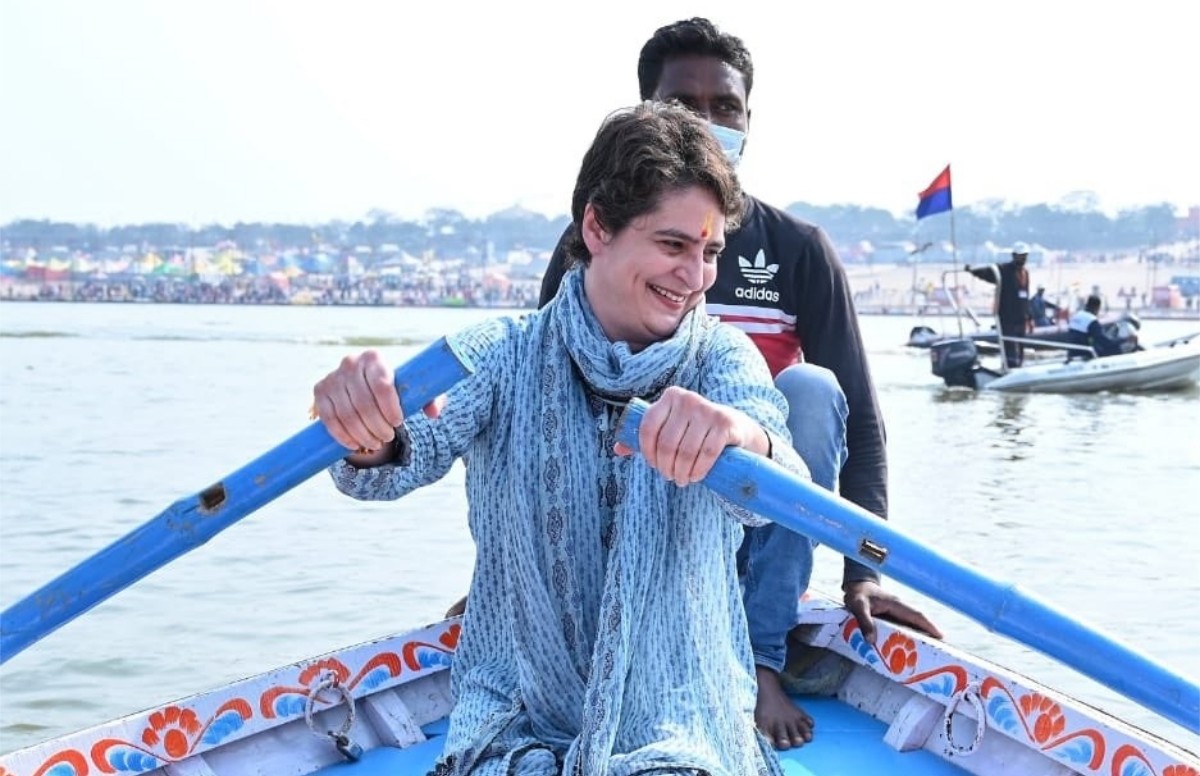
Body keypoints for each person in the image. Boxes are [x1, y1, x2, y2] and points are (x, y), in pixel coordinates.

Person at [313, 101, 805, 776]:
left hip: (679, 721)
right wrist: (363, 426)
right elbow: (404, 452)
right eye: (673, 246)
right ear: (597, 227)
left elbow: (783, 479)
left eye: (710, 252)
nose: (695, 278)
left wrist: (739, 436)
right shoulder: (501, 353)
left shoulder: (721, 359)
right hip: (516, 720)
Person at [535, 17, 942, 751]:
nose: (707, 122)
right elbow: (535, 408)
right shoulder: (594, 244)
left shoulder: (798, 249)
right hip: (632, 506)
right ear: (647, 115)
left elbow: (858, 423)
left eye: (725, 107)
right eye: (683, 105)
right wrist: (510, 576)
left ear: (749, 121)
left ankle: (759, 658)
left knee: (811, 390)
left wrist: (864, 570)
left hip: (756, 514)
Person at [966, 242, 1033, 368]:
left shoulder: (1025, 273)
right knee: (1009, 345)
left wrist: (1029, 317)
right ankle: (1009, 366)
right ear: (1014, 256)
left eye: (1024, 256)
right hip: (1007, 317)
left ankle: (1019, 366)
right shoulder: (1004, 270)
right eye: (1020, 256)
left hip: (1021, 318)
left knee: (1021, 345)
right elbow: (987, 273)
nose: (1023, 258)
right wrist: (972, 270)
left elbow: (1026, 297)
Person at [1067, 294, 1125, 358]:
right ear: (1097, 308)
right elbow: (1104, 342)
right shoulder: (1091, 321)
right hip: (1086, 354)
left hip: (1072, 352)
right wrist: (1124, 340)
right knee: (1114, 349)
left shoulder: (1076, 315)